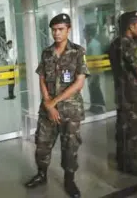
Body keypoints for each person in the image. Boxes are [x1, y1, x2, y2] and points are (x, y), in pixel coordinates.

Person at [25, 14, 89, 198]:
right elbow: (42, 78)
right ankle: (41, 175)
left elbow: (79, 83)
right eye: (54, 29)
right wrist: (48, 104)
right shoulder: (46, 53)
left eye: (60, 29)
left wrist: (54, 102)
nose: (56, 33)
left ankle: (70, 181)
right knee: (42, 144)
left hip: (70, 110)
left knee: (70, 146)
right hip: (48, 110)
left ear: (68, 29)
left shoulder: (78, 52)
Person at [108, 11, 137, 176]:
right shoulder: (127, 43)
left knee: (122, 126)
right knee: (132, 128)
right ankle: (128, 163)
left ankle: (122, 158)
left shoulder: (115, 42)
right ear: (130, 26)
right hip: (131, 93)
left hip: (121, 91)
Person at [84, 24, 105, 114]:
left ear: (89, 33)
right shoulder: (91, 43)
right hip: (91, 70)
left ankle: (99, 107)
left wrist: (95, 74)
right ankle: (94, 106)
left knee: (95, 88)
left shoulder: (94, 44)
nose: (84, 35)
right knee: (92, 88)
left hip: (95, 71)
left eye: (85, 32)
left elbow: (97, 60)